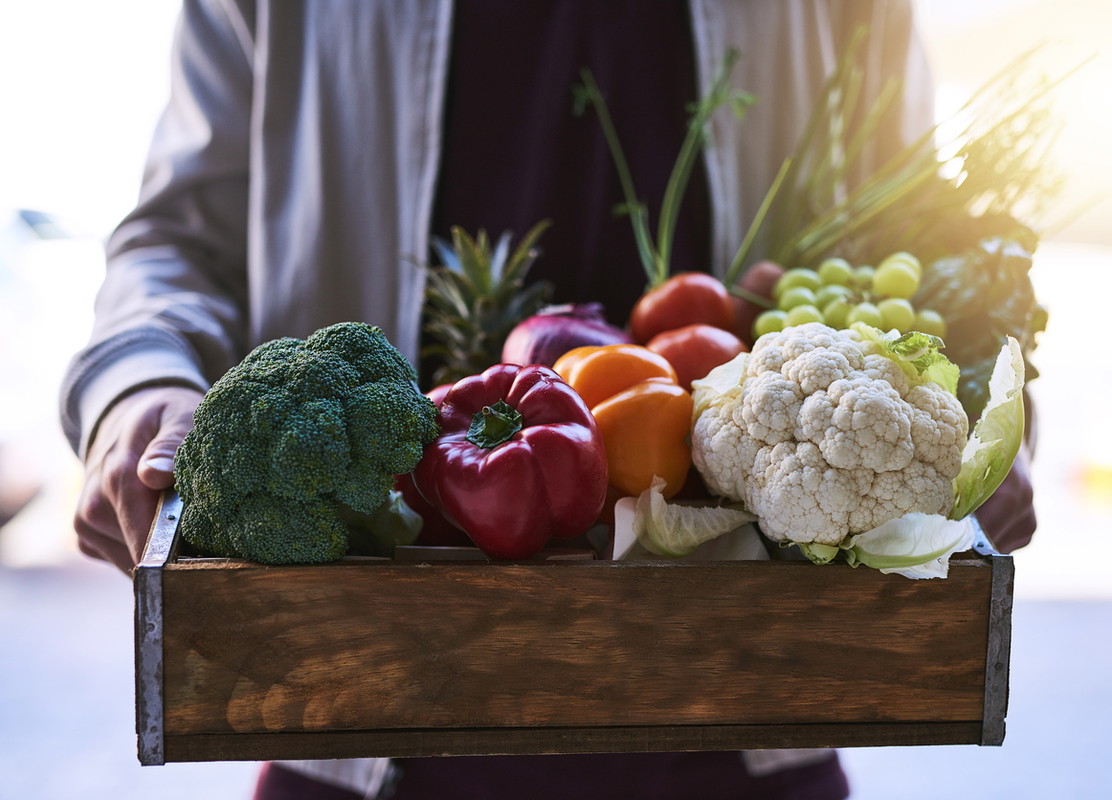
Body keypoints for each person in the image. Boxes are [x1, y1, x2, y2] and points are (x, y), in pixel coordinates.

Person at [60, 1, 1036, 798]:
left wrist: (974, 417)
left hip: (749, 722)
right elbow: (175, 239)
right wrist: (135, 389)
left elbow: (920, 233)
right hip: (360, 726)